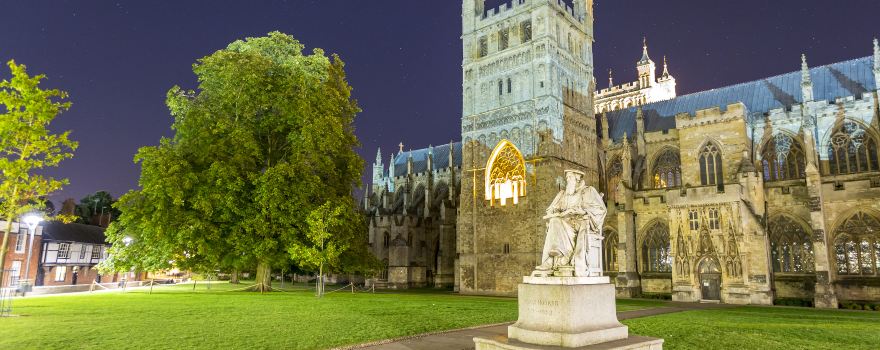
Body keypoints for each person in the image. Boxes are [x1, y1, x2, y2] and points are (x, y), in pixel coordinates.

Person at [533, 169, 607, 277]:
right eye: (567, 178)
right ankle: (551, 260)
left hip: (580, 224)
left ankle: (562, 257)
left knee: (558, 223)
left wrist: (583, 212)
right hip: (564, 222)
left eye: (570, 177)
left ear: (577, 179)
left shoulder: (588, 191)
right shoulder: (563, 194)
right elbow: (552, 209)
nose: (567, 180)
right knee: (554, 221)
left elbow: (601, 209)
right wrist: (556, 212)